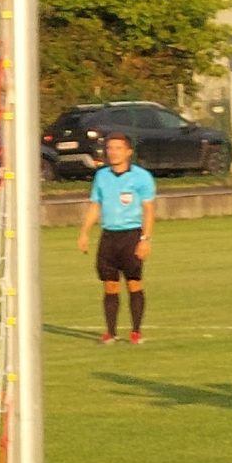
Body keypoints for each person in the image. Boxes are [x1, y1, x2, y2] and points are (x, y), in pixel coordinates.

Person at [79, 132, 158, 344]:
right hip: (109, 237)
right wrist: (85, 232)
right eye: (110, 148)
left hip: (131, 235)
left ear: (128, 152)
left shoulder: (141, 177)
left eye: (118, 148)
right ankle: (111, 332)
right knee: (110, 285)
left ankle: (135, 331)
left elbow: (149, 210)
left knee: (134, 283)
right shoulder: (101, 176)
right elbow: (96, 205)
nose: (112, 152)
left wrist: (145, 239)